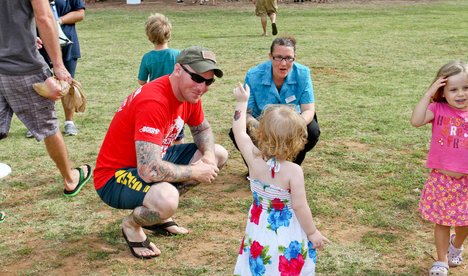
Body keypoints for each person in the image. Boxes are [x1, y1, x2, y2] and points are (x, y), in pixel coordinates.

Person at [94, 46, 228, 260]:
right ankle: (132, 225)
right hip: (114, 176)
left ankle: (156, 216)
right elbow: (149, 170)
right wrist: (194, 172)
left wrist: (209, 158)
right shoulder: (154, 101)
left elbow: (202, 128)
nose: (202, 87)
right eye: (196, 78)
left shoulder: (188, 93)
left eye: (208, 81)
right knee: (167, 199)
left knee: (218, 153)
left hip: (152, 160)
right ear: (177, 70)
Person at [232, 83, 329, 276]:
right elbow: (299, 206)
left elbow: (239, 132)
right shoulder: (293, 171)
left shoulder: (253, 158)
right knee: (296, 274)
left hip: (260, 230)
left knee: (272, 273)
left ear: (262, 134)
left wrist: (242, 103)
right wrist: (313, 233)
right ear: (297, 141)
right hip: (286, 234)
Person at [410, 60, 468, 276]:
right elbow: (416, 120)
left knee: (465, 223)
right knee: (441, 221)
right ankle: (441, 260)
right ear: (443, 91)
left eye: (466, 88)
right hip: (441, 178)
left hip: (467, 181)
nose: (460, 94)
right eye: (453, 89)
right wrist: (429, 93)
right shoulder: (437, 109)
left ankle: (456, 246)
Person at [0, 0, 92, 197]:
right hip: (22, 65)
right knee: (48, 126)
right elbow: (44, 17)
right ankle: (70, 178)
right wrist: (58, 65)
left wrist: (23, 36)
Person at [229, 37, 320, 167]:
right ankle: (257, 167)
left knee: (312, 130)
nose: (283, 63)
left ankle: (291, 165)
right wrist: (262, 127)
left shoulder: (303, 74)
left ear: (295, 57)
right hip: (262, 124)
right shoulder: (253, 75)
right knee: (237, 131)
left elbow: (308, 110)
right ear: (270, 57)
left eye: (289, 58)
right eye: (278, 57)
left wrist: (292, 126)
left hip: (292, 122)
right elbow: (247, 113)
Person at [29, 0, 85, 137]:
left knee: (67, 83)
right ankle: (39, 123)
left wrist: (58, 21)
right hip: (40, 45)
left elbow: (80, 13)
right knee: (41, 84)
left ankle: (69, 122)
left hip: (68, 44)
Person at [138, 13, 184, 144]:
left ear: (149, 36)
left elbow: (141, 81)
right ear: (168, 33)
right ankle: (179, 159)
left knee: (157, 134)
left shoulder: (147, 57)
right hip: (176, 101)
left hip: (156, 102)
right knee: (177, 135)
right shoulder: (178, 55)